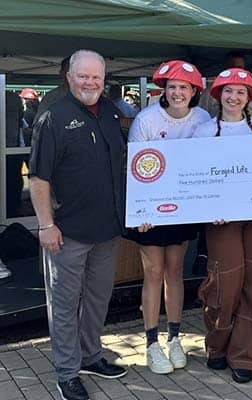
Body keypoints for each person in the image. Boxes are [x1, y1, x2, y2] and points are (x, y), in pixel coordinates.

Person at [29, 49, 127, 400]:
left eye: (96, 77)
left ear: (104, 80)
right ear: (68, 77)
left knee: (98, 300)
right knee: (65, 304)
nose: (90, 82)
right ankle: (67, 372)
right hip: (66, 232)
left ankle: (91, 356)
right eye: (83, 76)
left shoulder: (112, 115)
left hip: (107, 230)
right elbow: (39, 178)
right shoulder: (52, 117)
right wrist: (45, 225)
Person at [194, 68, 252, 384]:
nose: (234, 97)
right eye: (228, 91)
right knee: (224, 284)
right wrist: (207, 206)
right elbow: (195, 179)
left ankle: (245, 355)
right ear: (218, 95)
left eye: (241, 92)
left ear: (250, 99)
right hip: (221, 219)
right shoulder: (203, 133)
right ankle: (217, 348)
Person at [125, 60, 211, 374]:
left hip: (184, 209)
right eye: (172, 87)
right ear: (164, 90)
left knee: (175, 272)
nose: (177, 93)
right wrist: (142, 211)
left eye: (183, 87)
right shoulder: (146, 119)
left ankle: (174, 337)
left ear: (194, 91)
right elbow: (136, 169)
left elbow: (209, 163)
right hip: (152, 211)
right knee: (153, 272)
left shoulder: (202, 119)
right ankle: (151, 343)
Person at [34, 56, 70, 123]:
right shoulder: (51, 97)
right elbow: (39, 123)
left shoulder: (92, 96)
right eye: (68, 71)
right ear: (62, 73)